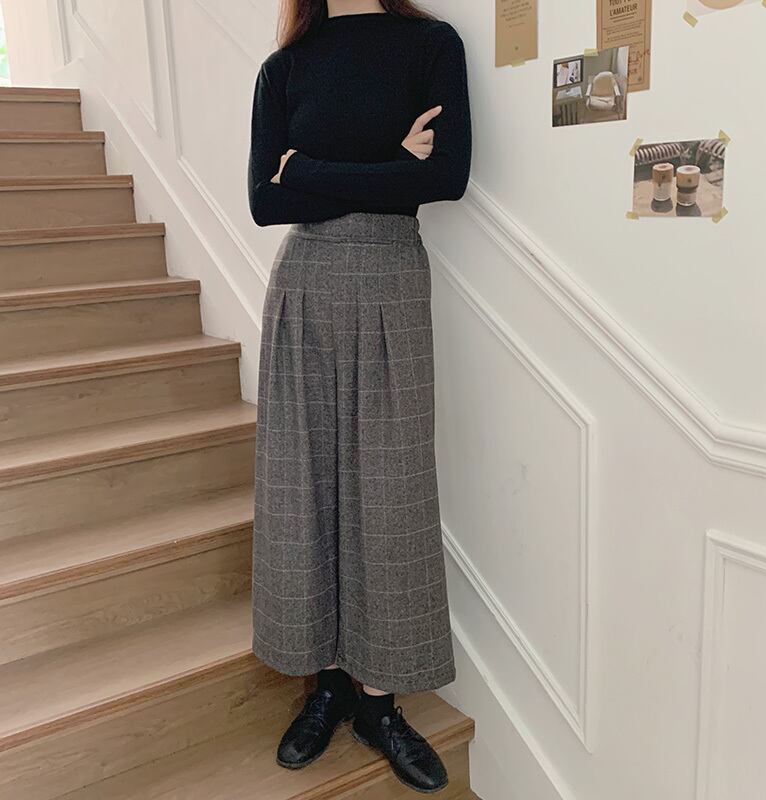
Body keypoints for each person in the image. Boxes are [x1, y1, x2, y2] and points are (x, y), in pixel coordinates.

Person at [247, 0, 471, 792]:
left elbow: (445, 179)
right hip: (303, 284)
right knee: (304, 488)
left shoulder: (430, 45)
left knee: (391, 489)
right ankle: (329, 684)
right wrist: (388, 164)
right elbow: (264, 203)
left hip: (391, 279)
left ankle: (380, 701)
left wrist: (306, 169)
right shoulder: (284, 68)